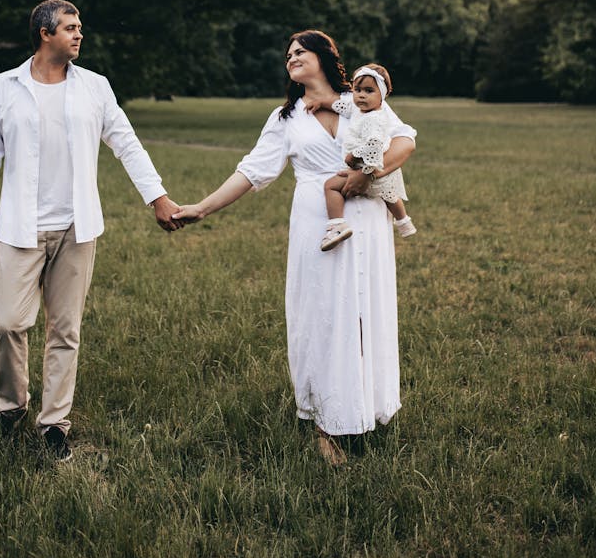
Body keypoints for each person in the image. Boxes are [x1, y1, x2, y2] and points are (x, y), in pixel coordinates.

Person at [173, 29, 416, 466]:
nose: (291, 58)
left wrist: (369, 174)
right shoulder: (285, 118)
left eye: (300, 52)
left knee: (363, 314)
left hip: (368, 221)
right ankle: (326, 421)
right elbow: (250, 172)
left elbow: (404, 140)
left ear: (323, 57)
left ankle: (363, 408)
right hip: (316, 220)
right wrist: (202, 208)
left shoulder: (359, 96)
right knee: (323, 317)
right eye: (288, 55)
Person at [0, 0, 181, 462]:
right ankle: (11, 409)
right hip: (19, 229)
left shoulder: (95, 87)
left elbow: (126, 142)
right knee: (8, 323)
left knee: (66, 330)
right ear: (45, 34)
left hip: (76, 228)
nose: (79, 34)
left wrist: (157, 196)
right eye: (70, 27)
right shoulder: (2, 88)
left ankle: (53, 426)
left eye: (80, 26)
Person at [320, 63, 417, 252]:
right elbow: (344, 107)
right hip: (381, 169)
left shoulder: (374, 119)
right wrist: (322, 103)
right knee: (391, 194)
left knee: (330, 186)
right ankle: (404, 221)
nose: (361, 95)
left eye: (369, 90)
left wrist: (353, 157)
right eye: (357, 90)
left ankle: (337, 225)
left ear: (383, 94)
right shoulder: (359, 109)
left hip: (367, 168)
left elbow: (374, 145)